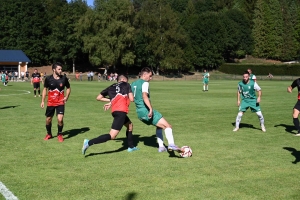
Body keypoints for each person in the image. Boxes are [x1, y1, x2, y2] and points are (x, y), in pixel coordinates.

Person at [82, 75, 139, 154]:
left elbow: (98, 97)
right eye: (127, 80)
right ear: (122, 79)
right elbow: (132, 99)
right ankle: (88, 143)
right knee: (112, 136)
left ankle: (131, 147)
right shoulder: (126, 84)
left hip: (115, 111)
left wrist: (111, 101)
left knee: (130, 125)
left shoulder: (111, 86)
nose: (127, 82)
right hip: (121, 112)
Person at [131, 67, 182, 153]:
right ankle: (171, 144)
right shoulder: (145, 83)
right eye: (150, 76)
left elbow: (131, 98)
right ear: (144, 75)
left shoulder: (132, 84)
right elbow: (144, 96)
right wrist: (150, 109)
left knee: (159, 126)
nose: (150, 78)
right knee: (168, 126)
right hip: (146, 111)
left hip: (139, 113)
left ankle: (161, 147)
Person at [41, 62, 71, 142]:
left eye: (61, 69)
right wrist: (43, 101)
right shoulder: (48, 79)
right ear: (54, 70)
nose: (61, 70)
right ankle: (49, 134)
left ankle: (60, 134)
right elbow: (45, 89)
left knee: (60, 119)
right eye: (59, 69)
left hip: (60, 102)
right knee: (48, 119)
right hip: (51, 102)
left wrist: (66, 97)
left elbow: (68, 88)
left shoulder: (64, 78)